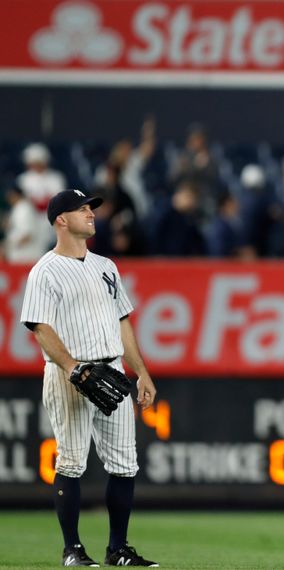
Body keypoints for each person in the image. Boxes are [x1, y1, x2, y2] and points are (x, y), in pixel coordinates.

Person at [19, 189, 158, 566]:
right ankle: (72, 549)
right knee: (71, 461)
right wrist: (71, 367)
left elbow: (122, 321)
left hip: (112, 368)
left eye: (91, 208)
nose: (91, 214)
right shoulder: (45, 270)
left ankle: (118, 550)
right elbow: (39, 326)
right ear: (60, 220)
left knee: (125, 464)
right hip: (70, 375)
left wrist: (141, 371)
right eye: (81, 209)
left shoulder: (106, 266)